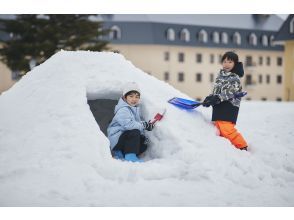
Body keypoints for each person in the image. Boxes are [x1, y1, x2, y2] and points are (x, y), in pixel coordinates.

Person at [202, 51, 248, 151]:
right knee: (220, 129)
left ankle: (242, 146)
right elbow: (216, 90)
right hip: (219, 106)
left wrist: (217, 98)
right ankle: (228, 149)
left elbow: (231, 92)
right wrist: (210, 98)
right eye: (225, 61)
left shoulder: (234, 77)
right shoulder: (220, 75)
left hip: (229, 106)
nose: (227, 64)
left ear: (235, 64)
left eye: (230, 62)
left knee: (227, 129)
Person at [107, 82, 154, 162]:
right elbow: (129, 125)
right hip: (117, 140)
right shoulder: (123, 110)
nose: (134, 99)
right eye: (131, 96)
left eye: (137, 97)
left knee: (144, 141)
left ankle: (124, 154)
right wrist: (144, 125)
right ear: (125, 98)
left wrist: (146, 126)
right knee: (135, 132)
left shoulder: (134, 109)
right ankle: (129, 155)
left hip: (125, 140)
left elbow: (137, 125)